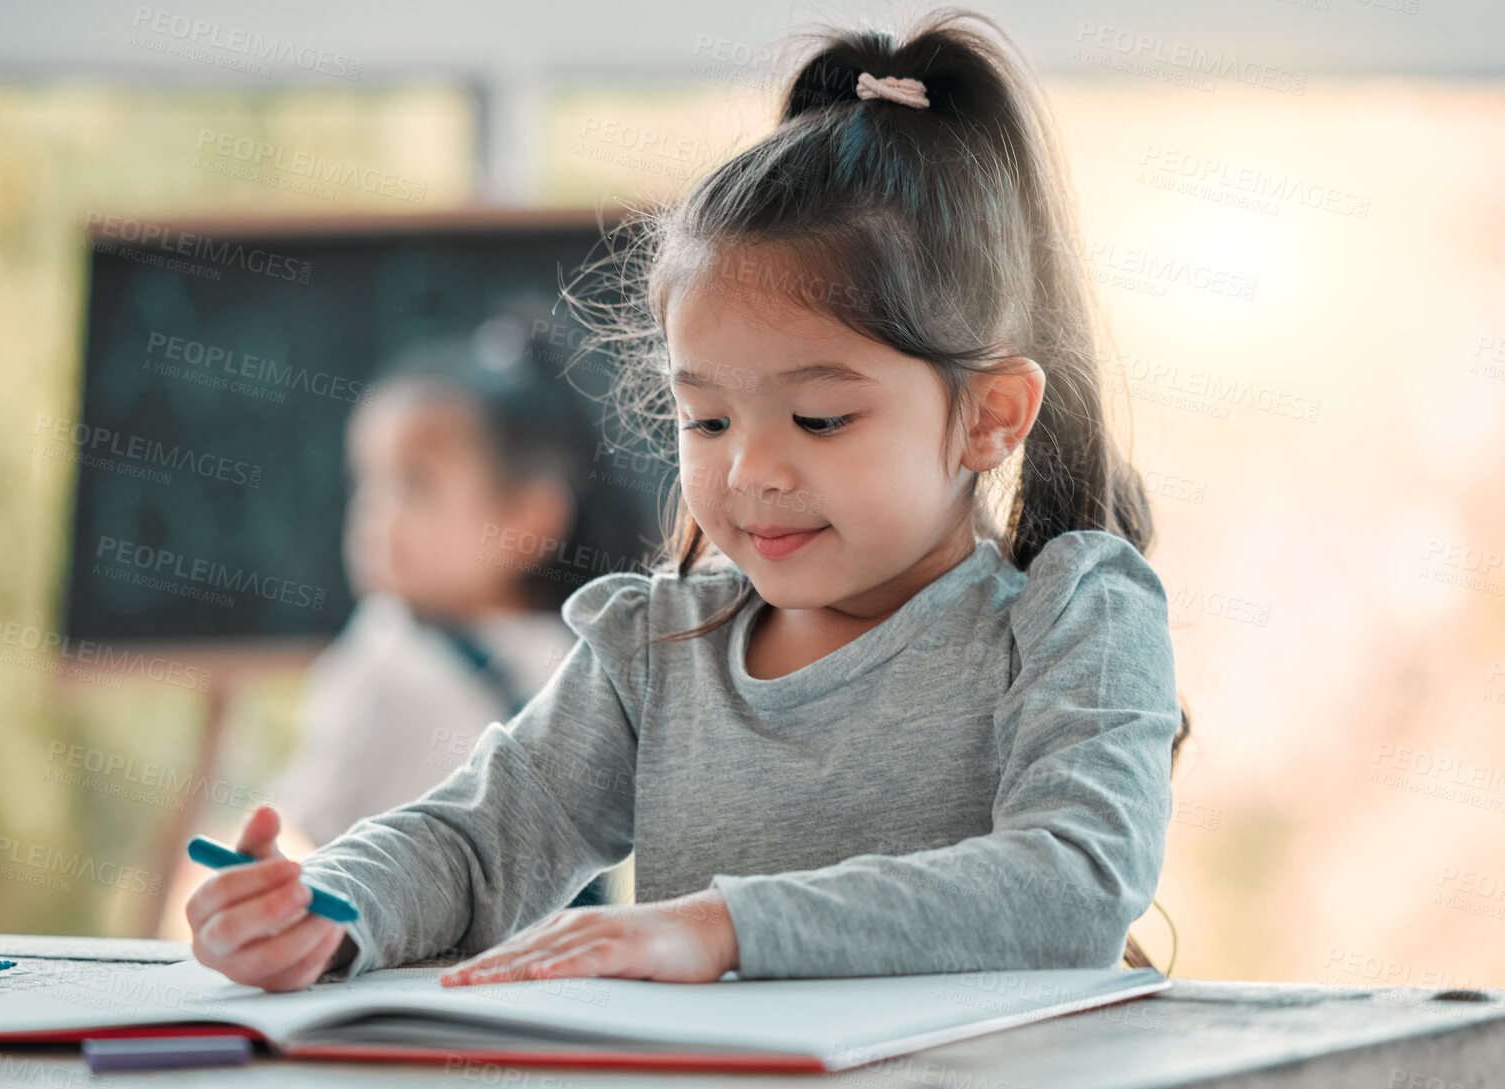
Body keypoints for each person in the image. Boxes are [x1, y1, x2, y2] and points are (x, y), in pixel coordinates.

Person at [185, 9, 1192, 991]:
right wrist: (328, 905)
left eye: (820, 420)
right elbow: (480, 841)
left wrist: (725, 926)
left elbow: (1072, 883)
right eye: (705, 420)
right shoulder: (654, 650)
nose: (749, 471)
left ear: (990, 414)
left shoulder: (1073, 616)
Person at [266, 317, 651, 909]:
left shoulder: (384, 653)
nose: (378, 517)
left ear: (529, 516)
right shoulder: (593, 649)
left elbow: (305, 840)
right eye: (368, 483)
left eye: (416, 487)